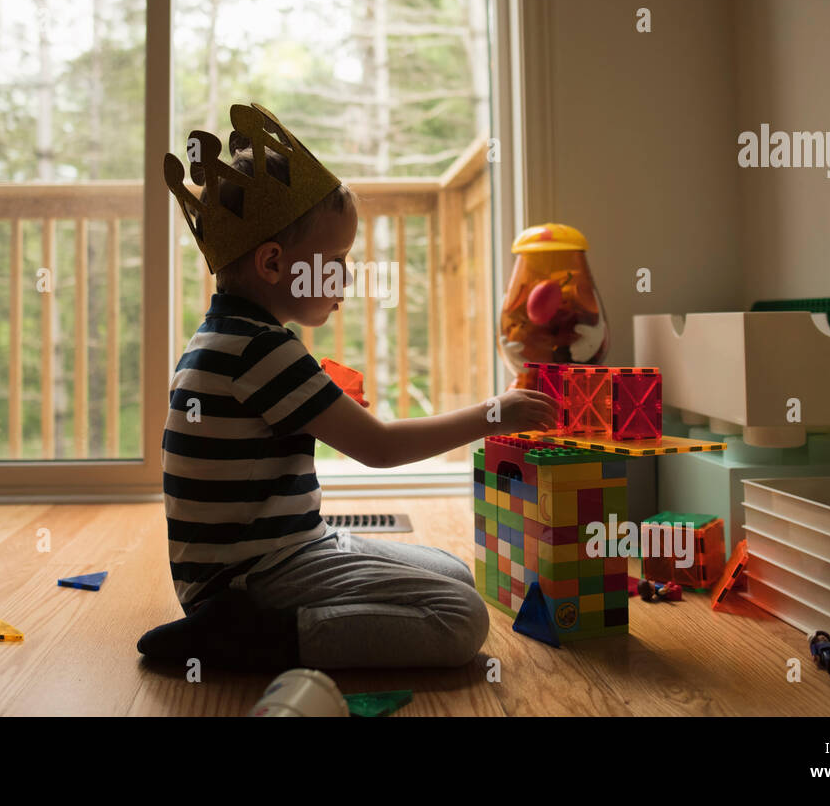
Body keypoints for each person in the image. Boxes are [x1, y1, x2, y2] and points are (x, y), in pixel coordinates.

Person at [137, 103, 558, 671]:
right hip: (253, 576)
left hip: (284, 548)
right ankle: (244, 637)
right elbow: (380, 448)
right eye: (336, 259)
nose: (349, 276)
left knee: (456, 573)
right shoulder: (260, 348)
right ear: (271, 263)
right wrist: (493, 414)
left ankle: (258, 621)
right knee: (461, 617)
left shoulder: (231, 335)